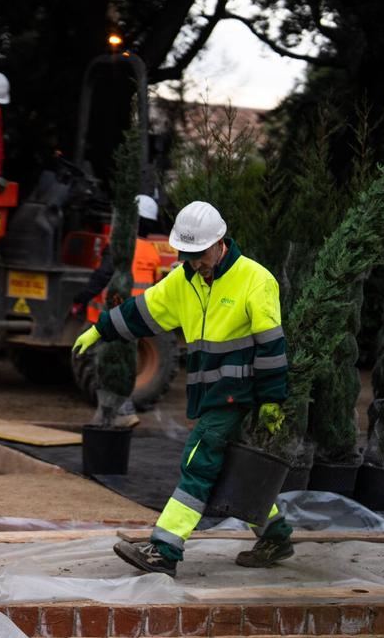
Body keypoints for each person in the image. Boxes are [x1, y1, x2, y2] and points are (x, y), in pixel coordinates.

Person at [72, 200, 294, 576]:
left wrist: (273, 401)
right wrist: (101, 328)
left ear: (220, 242)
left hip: (236, 394)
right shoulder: (184, 281)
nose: (194, 262)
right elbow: (144, 311)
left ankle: (166, 549)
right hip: (210, 394)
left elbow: (272, 346)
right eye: (187, 255)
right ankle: (276, 535)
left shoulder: (256, 280)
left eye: (200, 254)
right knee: (235, 468)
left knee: (198, 462)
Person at [70, 194, 165, 322]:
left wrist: (81, 298)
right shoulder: (153, 252)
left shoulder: (118, 245)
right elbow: (156, 285)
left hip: (110, 317)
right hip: (138, 317)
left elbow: (103, 275)